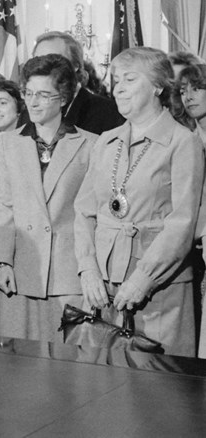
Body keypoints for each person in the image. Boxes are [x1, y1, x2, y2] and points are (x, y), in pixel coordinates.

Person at [74, 47, 204, 357]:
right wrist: (88, 269)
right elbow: (84, 211)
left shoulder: (183, 142)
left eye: (130, 79)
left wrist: (144, 279)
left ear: (158, 86)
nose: (118, 88)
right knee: (98, 386)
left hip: (158, 290)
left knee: (156, 390)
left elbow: (182, 224)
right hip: (101, 289)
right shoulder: (106, 141)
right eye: (116, 80)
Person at [0, 54, 97, 342]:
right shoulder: (8, 143)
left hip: (69, 275)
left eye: (44, 95)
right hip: (22, 272)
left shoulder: (91, 145)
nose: (33, 102)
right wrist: (2, 262)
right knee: (15, 370)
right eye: (28, 93)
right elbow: (5, 206)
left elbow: (92, 216)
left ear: (63, 98)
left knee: (69, 373)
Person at [32, 31, 124, 135]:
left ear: (75, 65)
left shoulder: (108, 112)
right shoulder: (29, 112)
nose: (44, 67)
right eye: (38, 61)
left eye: (54, 60)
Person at [173, 64, 206, 358]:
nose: (189, 97)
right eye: (184, 91)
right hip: (188, 243)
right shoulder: (183, 137)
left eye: (197, 88)